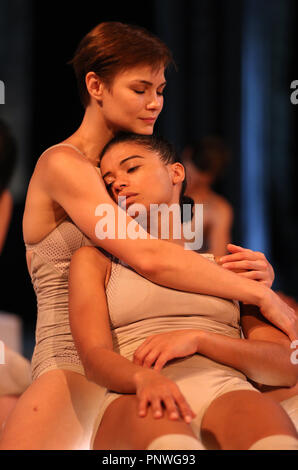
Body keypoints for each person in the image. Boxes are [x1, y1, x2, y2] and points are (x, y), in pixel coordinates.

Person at [0, 22, 295, 450]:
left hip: (148, 356)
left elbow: (176, 251)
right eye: (141, 89)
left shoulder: (137, 167)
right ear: (96, 85)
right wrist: (263, 295)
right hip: (73, 365)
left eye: (160, 90)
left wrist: (252, 274)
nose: (154, 103)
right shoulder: (63, 164)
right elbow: (147, 257)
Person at [67, 132, 298, 450]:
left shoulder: (230, 269)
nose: (118, 184)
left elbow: (285, 367)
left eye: (131, 168)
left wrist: (199, 339)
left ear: (176, 172)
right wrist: (141, 378)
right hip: (140, 390)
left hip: (225, 388)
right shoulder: (95, 261)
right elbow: (94, 357)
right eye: (108, 182)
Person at [182, 137, 233, 257]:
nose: (193, 177)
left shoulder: (218, 209)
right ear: (186, 154)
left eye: (200, 180)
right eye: (191, 169)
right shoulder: (159, 189)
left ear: (212, 176)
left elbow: (218, 258)